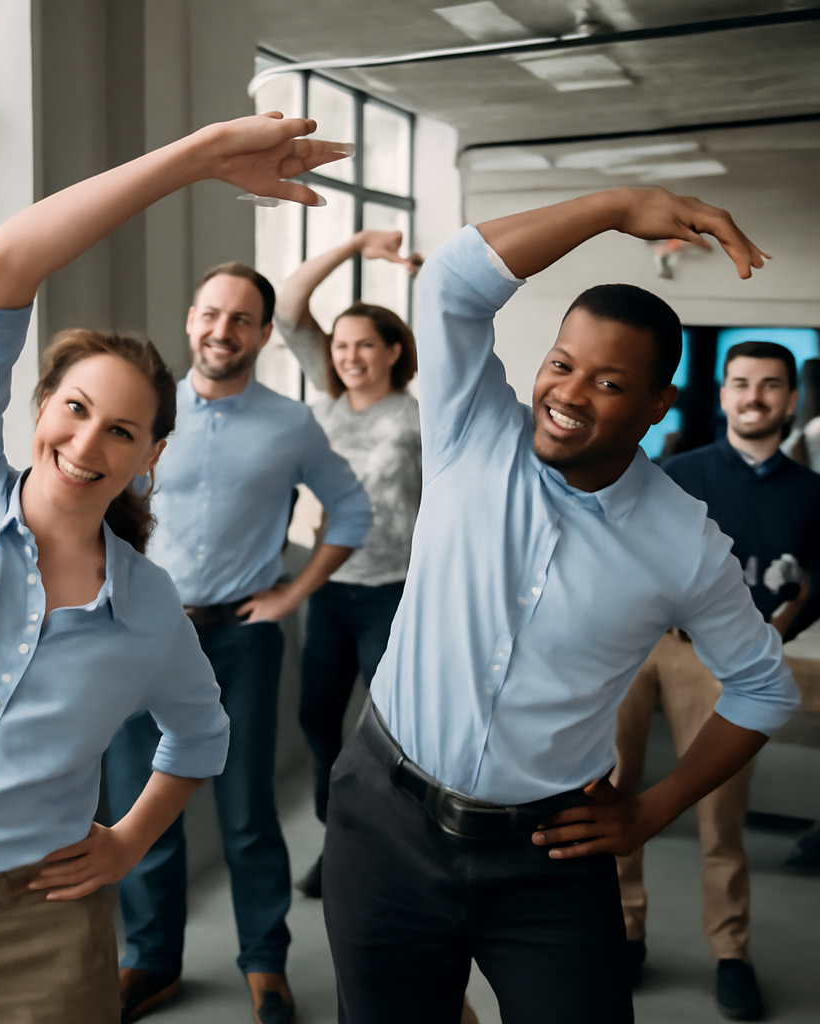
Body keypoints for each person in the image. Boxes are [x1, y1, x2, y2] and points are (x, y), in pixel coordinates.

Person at [0, 112, 346, 1024]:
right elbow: (2, 265)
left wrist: (127, 842)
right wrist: (196, 158)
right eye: (75, 408)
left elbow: (200, 736)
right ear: (41, 406)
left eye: (122, 431)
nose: (88, 442)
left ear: (150, 457)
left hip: (39, 940)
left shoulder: (145, 605)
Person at [320, 186, 801, 1024]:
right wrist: (618, 207)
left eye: (609, 382)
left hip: (547, 856)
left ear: (656, 408)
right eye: (560, 363)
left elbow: (764, 688)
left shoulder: (684, 542)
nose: (569, 394)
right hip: (384, 820)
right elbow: (453, 281)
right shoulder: (474, 430)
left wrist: (652, 809)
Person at [103, 249, 372, 1020]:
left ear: (260, 334)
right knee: (140, 808)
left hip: (240, 641)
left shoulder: (291, 423)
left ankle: (264, 963)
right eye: (213, 314)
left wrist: (294, 591)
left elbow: (352, 510)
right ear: (192, 321)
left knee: (247, 814)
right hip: (139, 639)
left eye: (242, 319)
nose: (224, 330)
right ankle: (151, 959)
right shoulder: (144, 413)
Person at [614, 340, 820, 1018]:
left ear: (790, 399)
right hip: (644, 645)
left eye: (770, 384)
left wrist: (776, 633)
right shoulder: (674, 473)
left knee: (719, 812)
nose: (754, 396)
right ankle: (625, 934)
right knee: (611, 791)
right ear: (724, 394)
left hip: (726, 660)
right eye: (741, 383)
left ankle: (731, 952)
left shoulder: (811, 493)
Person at [273, 228, 422, 900]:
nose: (351, 356)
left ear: (393, 350)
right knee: (317, 717)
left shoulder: (417, 418)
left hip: (394, 589)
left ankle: (395, 847)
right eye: (341, 345)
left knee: (391, 728)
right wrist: (357, 243)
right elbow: (288, 307)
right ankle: (340, 843)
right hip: (328, 587)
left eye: (366, 344)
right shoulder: (327, 401)